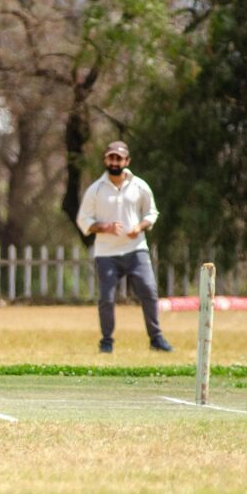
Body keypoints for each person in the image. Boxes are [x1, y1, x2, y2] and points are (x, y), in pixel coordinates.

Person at [76, 140, 174, 354]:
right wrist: (104, 227)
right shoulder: (96, 189)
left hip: (136, 249)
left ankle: (156, 338)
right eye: (111, 157)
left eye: (118, 158)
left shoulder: (139, 186)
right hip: (106, 253)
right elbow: (83, 220)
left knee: (148, 291)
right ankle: (106, 342)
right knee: (106, 298)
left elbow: (152, 213)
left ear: (127, 161)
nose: (114, 162)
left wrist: (140, 226)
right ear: (105, 160)